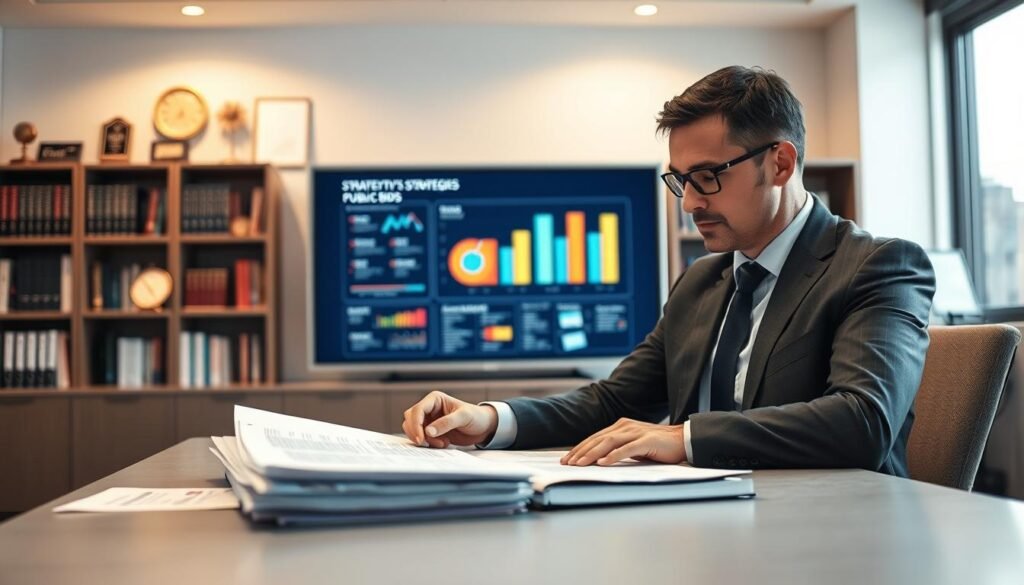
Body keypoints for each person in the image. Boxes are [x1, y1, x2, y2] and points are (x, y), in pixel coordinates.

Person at [402, 65, 936, 476]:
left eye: (706, 177)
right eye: (680, 180)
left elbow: (863, 421)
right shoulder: (703, 280)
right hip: (706, 520)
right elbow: (614, 401)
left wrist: (684, 438)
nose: (689, 204)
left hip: (834, 532)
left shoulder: (877, 265)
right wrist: (490, 420)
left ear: (780, 163)